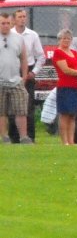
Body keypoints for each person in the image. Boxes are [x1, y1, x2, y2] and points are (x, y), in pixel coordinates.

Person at [8, 9, 45, 143]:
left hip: (28, 71)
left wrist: (34, 72)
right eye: (20, 17)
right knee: (11, 106)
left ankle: (29, 137)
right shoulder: (7, 34)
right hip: (11, 71)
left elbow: (41, 56)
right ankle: (14, 137)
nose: (22, 19)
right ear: (14, 19)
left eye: (24, 16)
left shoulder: (32, 35)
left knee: (27, 106)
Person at [52, 29, 77, 145]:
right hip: (65, 86)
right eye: (64, 38)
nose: (66, 40)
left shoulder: (74, 52)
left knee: (73, 114)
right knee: (64, 114)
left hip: (76, 86)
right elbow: (66, 70)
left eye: (68, 38)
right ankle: (65, 142)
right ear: (59, 40)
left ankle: (71, 141)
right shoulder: (58, 52)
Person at [0, 12, 31, 144]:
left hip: (16, 80)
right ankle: (4, 137)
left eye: (8, 23)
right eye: (2, 23)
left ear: (12, 23)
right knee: (1, 112)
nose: (5, 26)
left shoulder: (18, 38)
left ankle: (23, 137)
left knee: (21, 110)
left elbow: (24, 58)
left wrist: (23, 77)